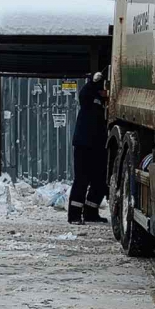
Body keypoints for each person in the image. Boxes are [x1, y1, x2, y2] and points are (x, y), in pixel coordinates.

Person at [67, 72, 108, 225]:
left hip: (99, 146)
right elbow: (83, 94)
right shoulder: (89, 96)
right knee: (82, 180)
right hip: (84, 145)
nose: (104, 92)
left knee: (100, 181)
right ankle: (74, 215)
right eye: (102, 89)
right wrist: (93, 81)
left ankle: (91, 213)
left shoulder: (105, 103)